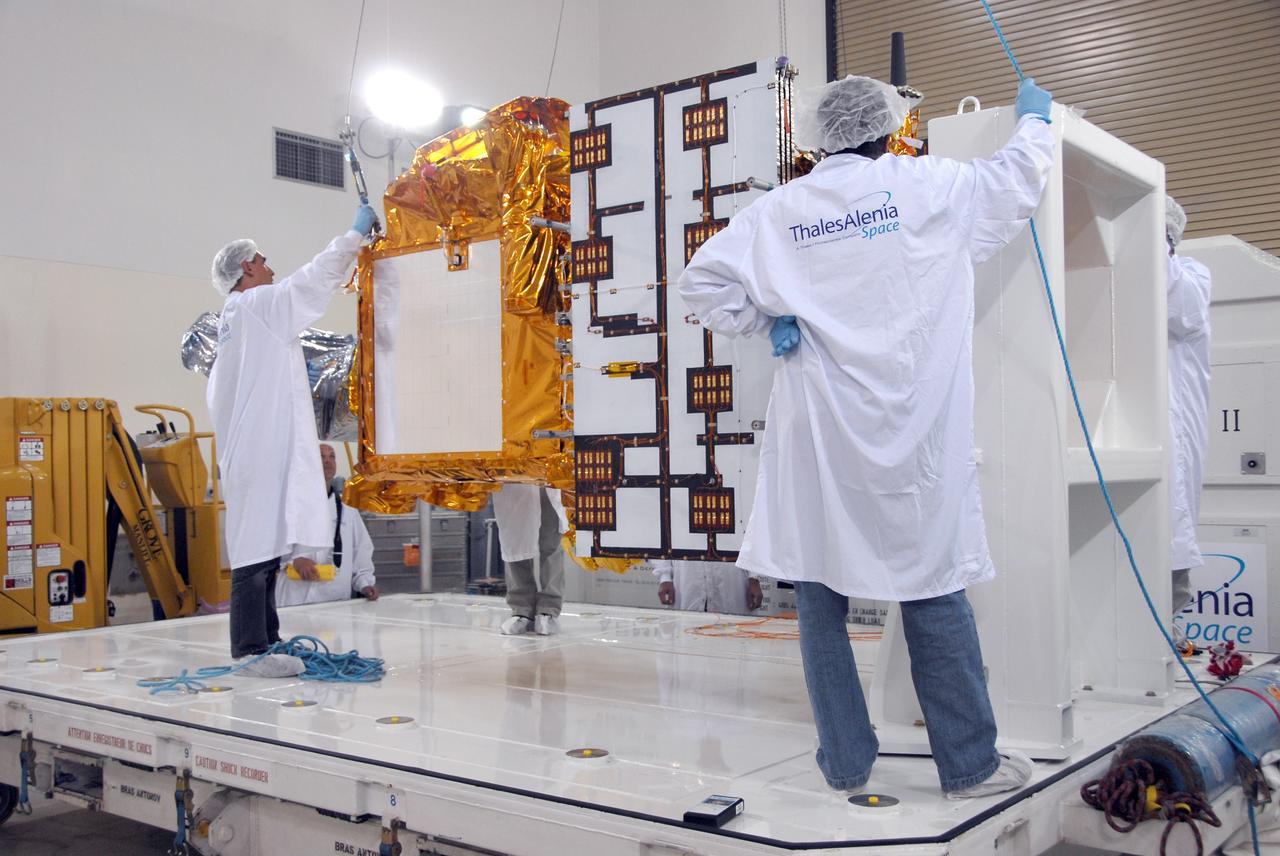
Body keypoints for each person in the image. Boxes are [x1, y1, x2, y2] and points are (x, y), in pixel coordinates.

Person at [677, 75, 1056, 798]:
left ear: (821, 139)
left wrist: (765, 320)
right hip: (913, 429)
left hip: (818, 434)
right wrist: (1035, 122)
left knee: (819, 591)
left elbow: (701, 281)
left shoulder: (781, 211)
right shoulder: (927, 186)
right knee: (932, 582)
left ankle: (846, 763)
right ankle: (969, 765)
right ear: (889, 129)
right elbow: (1014, 182)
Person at [207, 204, 377, 677]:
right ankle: (249, 649)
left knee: (266, 546)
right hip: (258, 453)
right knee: (254, 550)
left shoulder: (238, 322)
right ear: (246, 268)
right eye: (263, 262)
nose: (271, 269)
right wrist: (353, 237)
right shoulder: (254, 307)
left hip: (255, 452)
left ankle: (268, 639)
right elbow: (311, 280)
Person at [1164, 198, 1212, 627]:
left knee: (1168, 549)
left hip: (1173, 442)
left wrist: (1150, 237)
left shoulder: (1191, 276)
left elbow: (1178, 306)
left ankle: (1167, 635)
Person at [276, 443, 379, 607]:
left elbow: (361, 549)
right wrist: (294, 561)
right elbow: (272, 546)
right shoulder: (290, 504)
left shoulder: (347, 509)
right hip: (295, 598)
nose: (327, 461)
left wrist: (365, 583)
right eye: (321, 457)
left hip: (335, 600)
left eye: (332, 456)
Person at [492, 484, 569, 635]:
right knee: (515, 544)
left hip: (547, 479)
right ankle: (521, 610)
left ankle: (548, 610)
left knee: (551, 544)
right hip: (514, 481)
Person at [652, 559, 762, 613]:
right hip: (687, 577)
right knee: (687, 634)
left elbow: (752, 533)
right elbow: (664, 529)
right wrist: (665, 576)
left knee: (734, 634)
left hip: (731, 579)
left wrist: (754, 577)